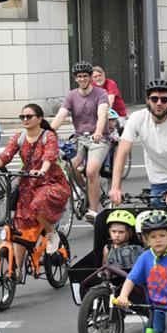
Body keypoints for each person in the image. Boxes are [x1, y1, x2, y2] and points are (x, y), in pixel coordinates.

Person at [111, 79, 167, 265]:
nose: (159, 103)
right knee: (154, 223)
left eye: (164, 99)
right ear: (148, 100)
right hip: (158, 181)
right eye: (154, 99)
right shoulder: (137, 118)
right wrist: (115, 187)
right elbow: (122, 153)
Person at [0, 103, 70, 260]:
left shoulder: (48, 136)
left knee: (37, 204)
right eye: (22, 117)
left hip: (51, 183)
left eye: (29, 116)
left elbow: (49, 156)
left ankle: (51, 232)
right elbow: (5, 156)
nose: (25, 119)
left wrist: (42, 170)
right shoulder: (19, 137)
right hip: (27, 186)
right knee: (20, 227)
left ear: (39, 119)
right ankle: (16, 273)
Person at [50, 61, 110, 222]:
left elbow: (102, 113)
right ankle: (88, 190)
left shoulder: (101, 93)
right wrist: (47, 132)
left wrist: (98, 131)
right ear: (75, 79)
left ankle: (93, 212)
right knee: (70, 166)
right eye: (79, 76)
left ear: (91, 78)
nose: (82, 79)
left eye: (85, 76)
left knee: (91, 171)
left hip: (98, 138)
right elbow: (61, 116)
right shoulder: (71, 95)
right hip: (79, 138)